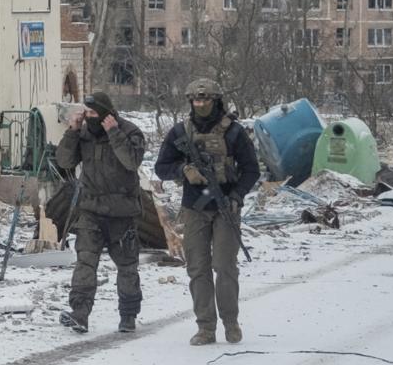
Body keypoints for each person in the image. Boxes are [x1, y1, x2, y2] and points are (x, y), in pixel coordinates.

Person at [154, 78, 261, 345]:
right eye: (196, 100)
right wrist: (183, 170)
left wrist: (237, 195)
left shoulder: (234, 132)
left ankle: (230, 322)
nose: (200, 104)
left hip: (226, 206)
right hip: (195, 208)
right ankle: (206, 327)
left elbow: (251, 170)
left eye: (205, 100)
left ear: (216, 101)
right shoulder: (181, 132)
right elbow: (161, 167)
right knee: (197, 268)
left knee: (224, 266)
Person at [56, 92, 146, 334]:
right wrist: (72, 132)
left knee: (127, 266)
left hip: (122, 212)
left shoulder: (129, 131)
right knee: (85, 263)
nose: (90, 118)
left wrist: (114, 133)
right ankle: (80, 314)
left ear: (107, 113)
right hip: (90, 210)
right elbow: (64, 161)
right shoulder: (84, 133)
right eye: (87, 113)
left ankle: (128, 316)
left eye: (95, 114)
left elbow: (131, 162)